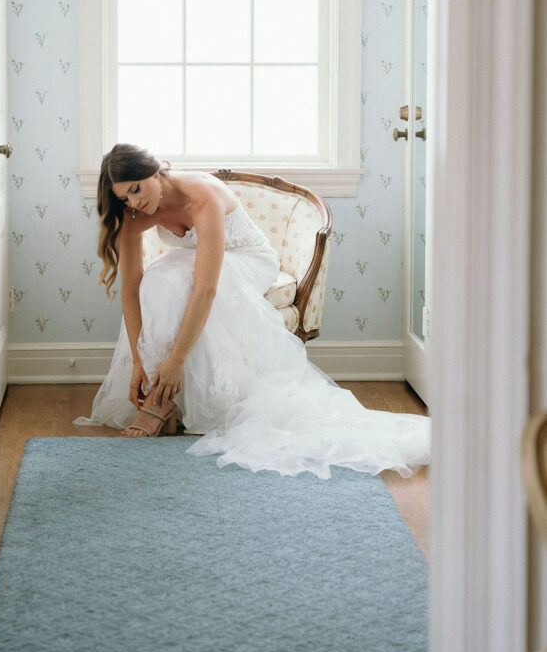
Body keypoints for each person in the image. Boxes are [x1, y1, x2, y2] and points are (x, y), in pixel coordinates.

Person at [74, 143, 431, 480]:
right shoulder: (132, 215)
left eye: (137, 189)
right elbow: (131, 290)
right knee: (157, 281)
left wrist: (177, 359)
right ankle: (162, 394)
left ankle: (161, 400)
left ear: (157, 170)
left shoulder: (202, 194)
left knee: (195, 282)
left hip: (247, 259)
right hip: (198, 262)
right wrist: (139, 360)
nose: (135, 202)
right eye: (125, 197)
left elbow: (207, 287)